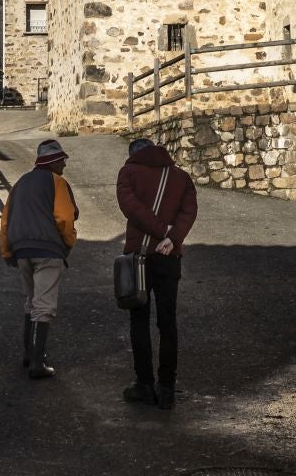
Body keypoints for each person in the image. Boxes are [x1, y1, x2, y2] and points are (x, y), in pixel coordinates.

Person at [116, 137, 197, 408]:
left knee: (139, 321)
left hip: (139, 256)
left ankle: (144, 384)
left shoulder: (128, 172)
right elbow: (189, 211)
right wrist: (172, 237)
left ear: (133, 154)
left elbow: (132, 209)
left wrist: (161, 232)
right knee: (168, 322)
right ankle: (167, 388)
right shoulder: (181, 177)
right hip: (168, 254)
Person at [0, 138, 78, 379]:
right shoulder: (57, 182)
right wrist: (68, 243)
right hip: (47, 251)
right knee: (43, 306)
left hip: (21, 250)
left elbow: (5, 220)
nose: (64, 165)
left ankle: (28, 355)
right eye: (62, 161)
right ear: (54, 162)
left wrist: (7, 252)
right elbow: (65, 217)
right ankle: (36, 363)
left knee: (31, 301)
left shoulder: (20, 183)